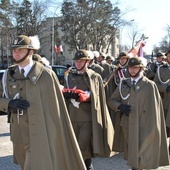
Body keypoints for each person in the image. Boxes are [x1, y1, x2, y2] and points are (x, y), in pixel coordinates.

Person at [0, 35, 86, 170]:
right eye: (14, 51)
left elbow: (56, 108)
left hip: (40, 133)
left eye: (20, 50)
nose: (16, 54)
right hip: (18, 134)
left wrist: (55, 134)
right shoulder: (8, 75)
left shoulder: (45, 75)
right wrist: (9, 103)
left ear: (31, 52)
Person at [108, 57, 169, 170]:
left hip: (144, 125)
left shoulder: (150, 85)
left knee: (141, 155)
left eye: (135, 68)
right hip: (128, 124)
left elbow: (155, 108)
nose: (132, 70)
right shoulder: (123, 83)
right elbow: (111, 100)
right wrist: (120, 106)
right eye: (130, 68)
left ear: (141, 68)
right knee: (133, 154)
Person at [62, 49, 114, 170]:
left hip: (87, 118)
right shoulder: (69, 75)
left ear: (88, 62)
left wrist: (84, 96)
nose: (78, 63)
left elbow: (98, 97)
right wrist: (66, 94)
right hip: (71, 117)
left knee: (82, 148)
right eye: (77, 61)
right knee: (75, 148)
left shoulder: (94, 77)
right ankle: (88, 167)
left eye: (81, 61)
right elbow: (64, 91)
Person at [153, 49, 170, 153]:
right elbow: (155, 84)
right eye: (169, 56)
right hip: (165, 101)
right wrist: (165, 88)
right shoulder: (161, 69)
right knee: (164, 126)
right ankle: (164, 147)